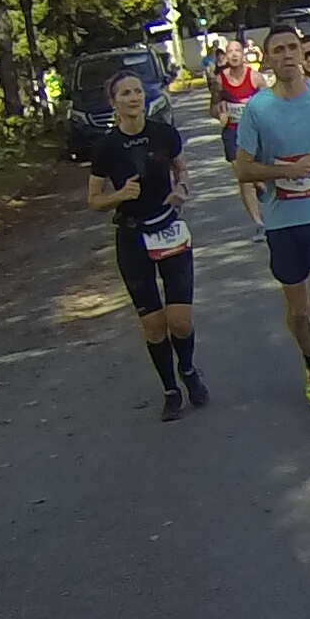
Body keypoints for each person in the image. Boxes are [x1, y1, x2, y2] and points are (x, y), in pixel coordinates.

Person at [231, 25, 310, 433]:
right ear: (267, 59)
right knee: (299, 312)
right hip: (283, 222)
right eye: (279, 50)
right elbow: (243, 168)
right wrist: (284, 171)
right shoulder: (258, 109)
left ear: (303, 55)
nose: (287, 55)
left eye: (293, 48)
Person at [84, 71, 206, 420]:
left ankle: (188, 370)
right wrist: (119, 195)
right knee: (153, 324)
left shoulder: (163, 134)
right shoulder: (106, 147)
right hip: (132, 236)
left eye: (137, 91)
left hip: (168, 228)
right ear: (114, 103)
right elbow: (94, 200)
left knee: (179, 321)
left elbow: (182, 171)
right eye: (125, 93)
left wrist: (182, 189)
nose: (134, 98)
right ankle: (170, 390)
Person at [209, 35, 263, 225]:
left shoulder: (255, 78)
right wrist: (219, 114)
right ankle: (258, 223)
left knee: (260, 175)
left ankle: (261, 186)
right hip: (232, 132)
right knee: (244, 178)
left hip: (255, 132)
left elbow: (270, 105)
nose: (234, 55)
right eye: (230, 51)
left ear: (243, 54)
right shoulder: (219, 81)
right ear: (226, 56)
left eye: (237, 51)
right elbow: (212, 108)